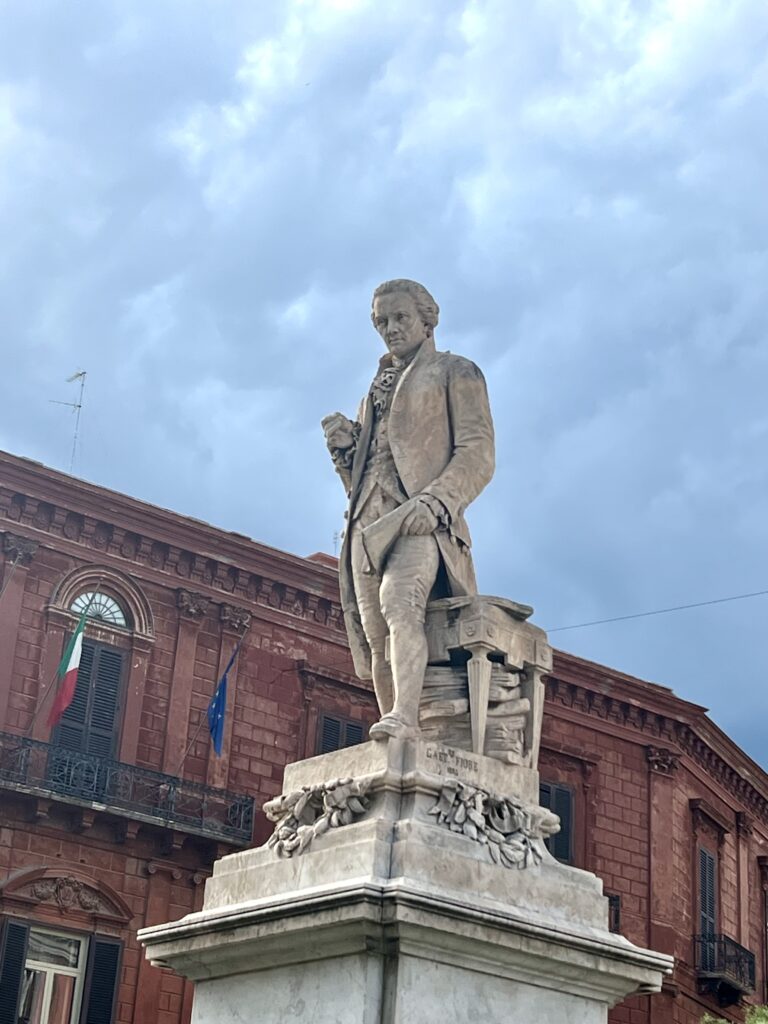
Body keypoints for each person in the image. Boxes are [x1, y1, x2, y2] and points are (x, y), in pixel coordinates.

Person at [322, 279, 495, 738]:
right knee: (376, 635)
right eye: (381, 321)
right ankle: (394, 725)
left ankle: (405, 717)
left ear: (427, 319)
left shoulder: (456, 372)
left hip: (421, 518)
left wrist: (439, 501)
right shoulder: (372, 393)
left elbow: (478, 453)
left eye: (400, 318)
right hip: (368, 523)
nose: (390, 329)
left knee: (400, 604)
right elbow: (366, 474)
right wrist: (345, 452)